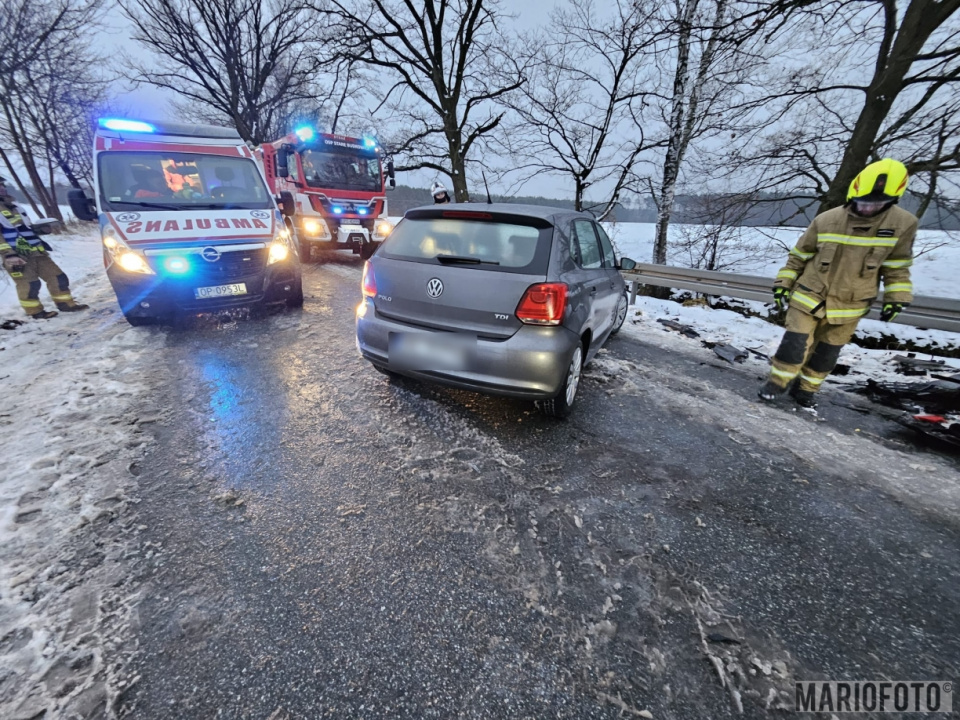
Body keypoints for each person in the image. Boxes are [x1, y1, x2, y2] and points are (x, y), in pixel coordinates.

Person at [758, 158, 916, 409]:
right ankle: (777, 384)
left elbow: (897, 265)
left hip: (851, 304)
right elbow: (799, 256)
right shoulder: (827, 219)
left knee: (827, 353)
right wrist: (783, 283)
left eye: (876, 204)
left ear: (893, 200)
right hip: (810, 295)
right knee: (795, 344)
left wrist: (897, 298)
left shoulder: (903, 224)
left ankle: (807, 389)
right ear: (854, 193)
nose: (867, 209)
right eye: (863, 202)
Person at [0, 176, 89, 319]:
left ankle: (66, 304)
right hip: (17, 257)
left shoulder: (15, 207)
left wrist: (41, 229)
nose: (2, 188)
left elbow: (25, 229)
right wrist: (9, 254)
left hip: (37, 253)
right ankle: (35, 312)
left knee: (58, 277)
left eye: (2, 185)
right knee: (29, 284)